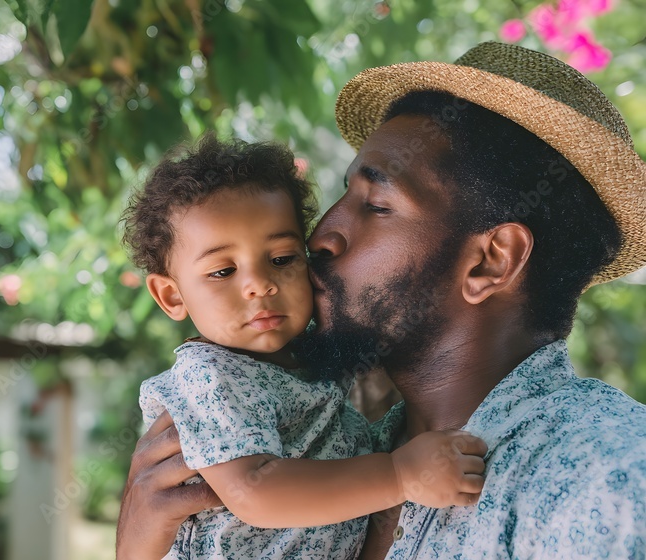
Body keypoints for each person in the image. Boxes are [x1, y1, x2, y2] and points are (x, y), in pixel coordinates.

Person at [117, 41, 646, 560]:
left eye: (377, 204)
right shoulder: (341, 451)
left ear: (491, 261)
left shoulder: (609, 477)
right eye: (343, 196)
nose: (321, 236)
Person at [121, 135, 487, 559]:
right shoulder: (210, 377)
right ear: (171, 296)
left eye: (281, 259)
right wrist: (399, 476)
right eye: (223, 270)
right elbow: (255, 492)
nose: (260, 284)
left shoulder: (311, 356)